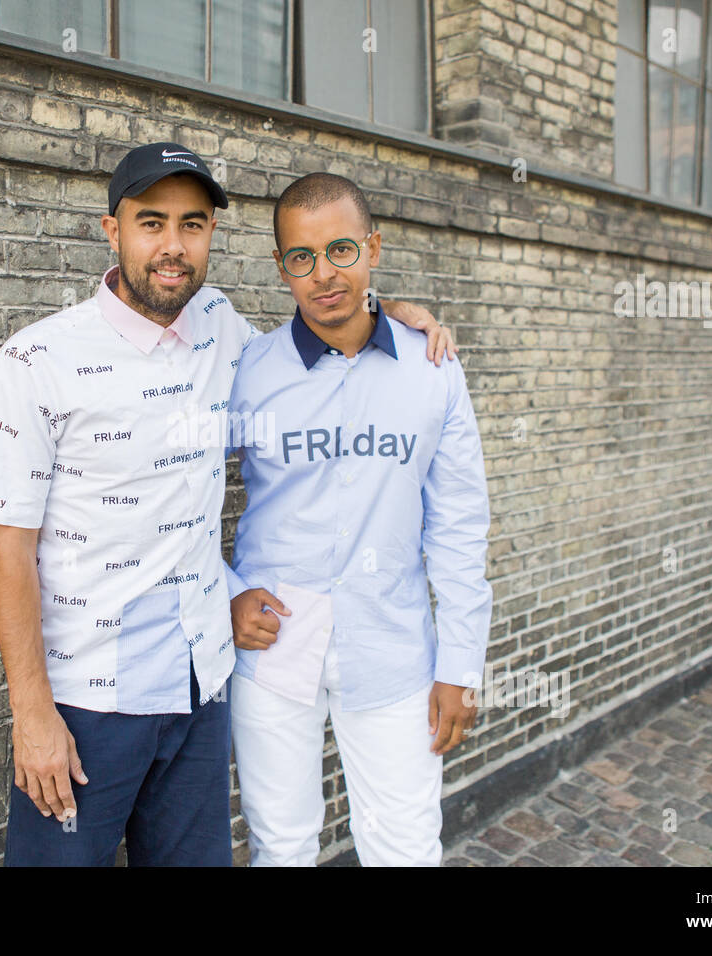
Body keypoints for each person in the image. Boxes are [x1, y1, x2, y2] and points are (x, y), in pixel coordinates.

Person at [0, 143, 457, 866]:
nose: (173, 246)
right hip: (87, 701)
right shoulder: (38, 361)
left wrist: (382, 313)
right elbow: (8, 547)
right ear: (113, 230)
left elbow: (306, 367)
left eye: (192, 225)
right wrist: (32, 712)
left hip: (202, 689)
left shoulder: (224, 330)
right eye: (151, 222)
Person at [225, 172, 493, 866]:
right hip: (274, 644)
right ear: (282, 267)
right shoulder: (247, 371)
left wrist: (461, 661)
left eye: (341, 249)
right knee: (280, 847)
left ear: (373, 247)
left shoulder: (433, 370)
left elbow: (460, 524)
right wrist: (223, 590)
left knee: (404, 846)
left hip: (392, 646)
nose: (324, 274)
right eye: (301, 258)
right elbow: (177, 498)